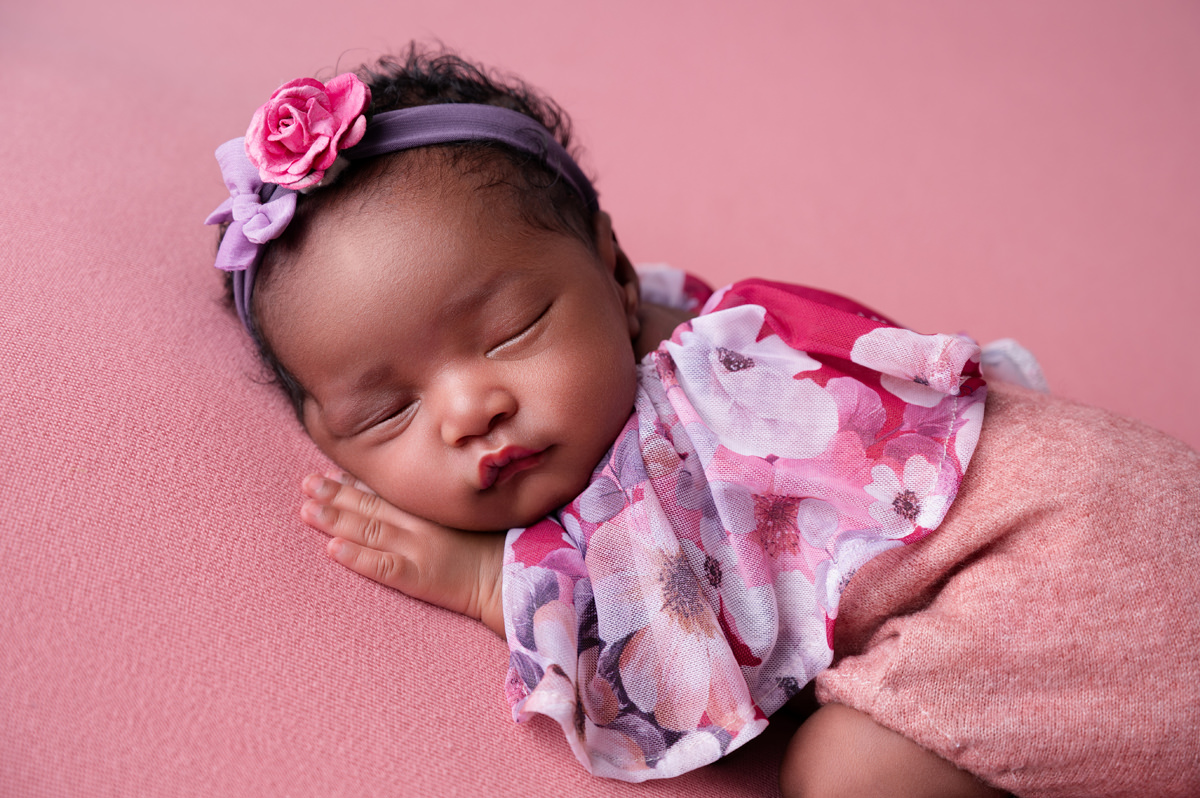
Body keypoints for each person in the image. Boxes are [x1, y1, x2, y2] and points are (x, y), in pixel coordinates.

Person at [207, 46, 1200, 798]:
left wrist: (488, 581)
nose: (470, 408)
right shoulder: (655, 332)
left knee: (848, 770)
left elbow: (694, 642)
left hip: (1090, 564)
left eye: (512, 332)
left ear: (616, 270)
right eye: (390, 411)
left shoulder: (704, 411)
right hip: (1133, 504)